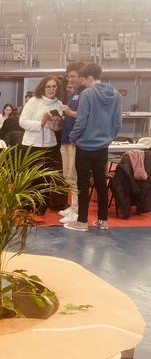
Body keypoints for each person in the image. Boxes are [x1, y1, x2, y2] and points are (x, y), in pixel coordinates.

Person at [64, 62, 122, 232]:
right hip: (102, 147)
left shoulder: (87, 94)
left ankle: (82, 222)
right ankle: (103, 221)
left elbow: (81, 120)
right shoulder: (116, 94)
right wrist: (108, 139)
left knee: (83, 185)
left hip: (84, 146)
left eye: (83, 80)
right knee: (101, 184)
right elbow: (118, 123)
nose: (83, 83)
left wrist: (73, 137)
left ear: (89, 77)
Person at [19, 75, 64, 215]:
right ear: (43, 88)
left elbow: (57, 128)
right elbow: (22, 122)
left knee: (45, 177)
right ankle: (26, 205)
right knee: (30, 177)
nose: (51, 89)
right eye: (48, 86)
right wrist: (42, 122)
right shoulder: (33, 101)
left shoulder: (58, 104)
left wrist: (55, 123)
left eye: (54, 86)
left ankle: (40, 206)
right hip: (31, 144)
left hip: (50, 145)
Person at [57, 61, 86, 225]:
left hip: (75, 141)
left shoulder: (85, 93)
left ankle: (76, 210)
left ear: (81, 76)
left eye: (73, 76)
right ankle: (72, 205)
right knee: (68, 176)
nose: (70, 79)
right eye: (69, 77)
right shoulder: (74, 92)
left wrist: (70, 112)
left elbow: (84, 116)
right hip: (65, 139)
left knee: (74, 176)